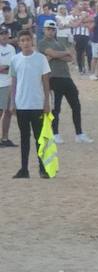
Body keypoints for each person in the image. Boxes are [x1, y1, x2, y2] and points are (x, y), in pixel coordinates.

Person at [36, 20, 88, 145]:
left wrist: (55, 55)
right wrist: (63, 53)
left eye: (52, 29)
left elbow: (70, 58)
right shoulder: (42, 43)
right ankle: (55, 133)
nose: (50, 31)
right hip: (53, 77)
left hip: (66, 77)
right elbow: (60, 54)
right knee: (56, 108)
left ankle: (79, 133)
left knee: (76, 105)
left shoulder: (58, 43)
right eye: (48, 29)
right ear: (44, 30)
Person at [9, 31, 51, 178]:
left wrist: (47, 102)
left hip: (37, 103)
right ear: (19, 43)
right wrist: (12, 102)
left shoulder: (41, 59)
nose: (25, 43)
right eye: (22, 40)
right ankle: (24, 169)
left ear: (32, 41)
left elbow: (46, 81)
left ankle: (43, 168)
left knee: (40, 138)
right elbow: (14, 82)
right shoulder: (15, 60)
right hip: (21, 104)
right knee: (24, 137)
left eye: (27, 40)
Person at [0, 28, 15, 149]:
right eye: (2, 34)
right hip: (0, 84)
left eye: (6, 34)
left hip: (10, 83)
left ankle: (5, 138)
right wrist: (7, 68)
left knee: (9, 112)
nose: (4, 36)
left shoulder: (11, 48)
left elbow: (14, 66)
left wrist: (5, 68)